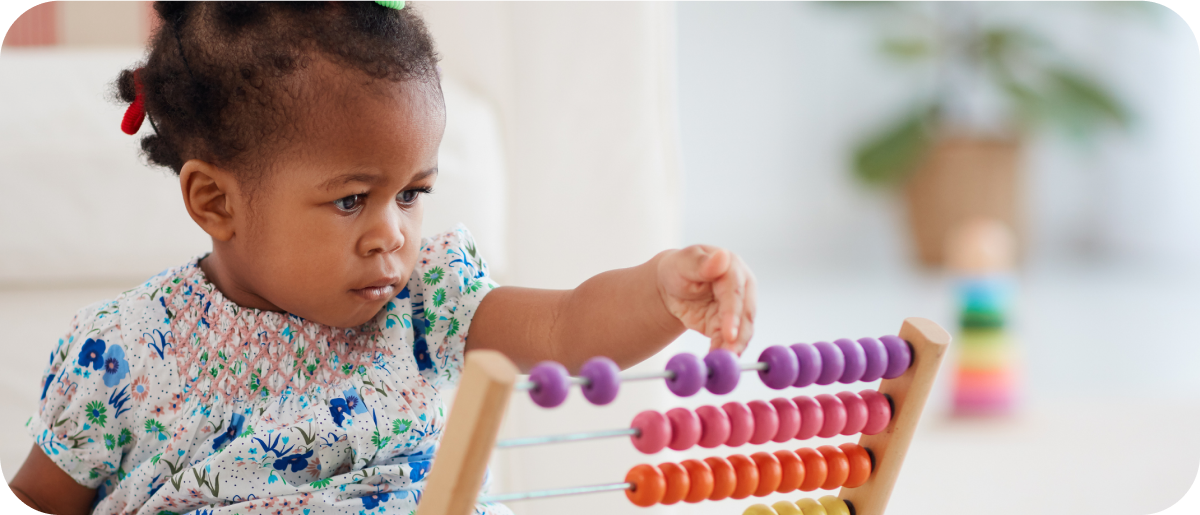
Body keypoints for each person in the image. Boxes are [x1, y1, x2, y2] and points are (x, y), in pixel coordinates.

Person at [8, 1, 756, 514]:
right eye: (349, 200)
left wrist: (660, 291)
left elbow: (567, 327)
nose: (391, 233)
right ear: (216, 202)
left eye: (411, 193)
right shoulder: (122, 352)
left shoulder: (428, 298)